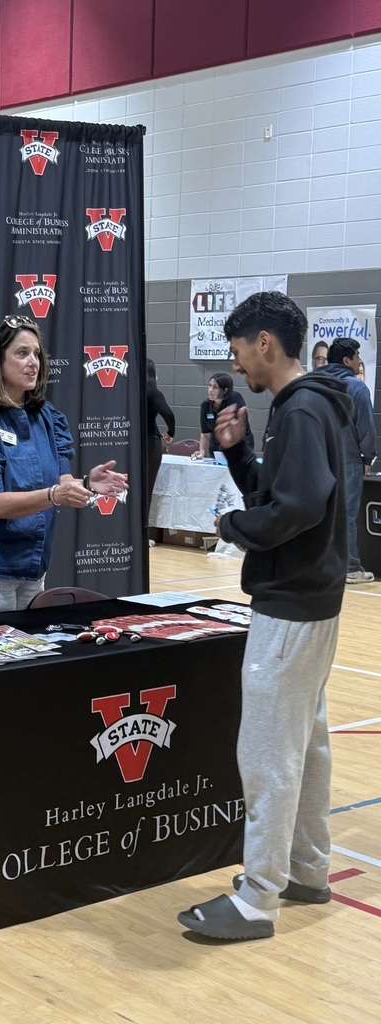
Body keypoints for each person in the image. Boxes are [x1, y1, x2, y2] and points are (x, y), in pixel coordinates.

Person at [177, 291, 352, 942]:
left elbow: (298, 507)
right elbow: (281, 493)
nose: (236, 364)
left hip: (292, 600)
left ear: (265, 344)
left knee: (268, 751)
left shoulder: (301, 408)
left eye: (238, 350)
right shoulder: (311, 404)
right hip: (314, 598)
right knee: (307, 741)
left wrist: (234, 527)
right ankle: (306, 868)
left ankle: (257, 899)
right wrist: (236, 453)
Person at [0, 315, 128, 616]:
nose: (33, 363)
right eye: (22, 353)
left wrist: (86, 484)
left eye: (37, 354)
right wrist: (54, 495)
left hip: (31, 567)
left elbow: (62, 484)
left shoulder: (47, 417)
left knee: (28, 646)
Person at [318, 337, 376, 584]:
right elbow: (365, 429)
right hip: (347, 459)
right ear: (346, 360)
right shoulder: (356, 387)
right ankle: (350, 568)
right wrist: (368, 456)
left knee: (320, 515)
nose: (359, 361)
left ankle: (321, 566)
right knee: (347, 515)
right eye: (357, 356)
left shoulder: (314, 383)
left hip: (317, 458)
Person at [192, 372, 253, 459]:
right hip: (216, 448)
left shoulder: (235, 399)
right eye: (210, 386)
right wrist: (202, 452)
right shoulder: (205, 405)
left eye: (215, 387)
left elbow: (239, 427)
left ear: (225, 390)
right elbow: (205, 433)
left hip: (239, 446)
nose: (210, 390)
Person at [145, 358, 175, 509]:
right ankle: (143, 520)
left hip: (128, 441)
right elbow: (168, 414)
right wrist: (171, 432)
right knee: (147, 486)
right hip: (149, 441)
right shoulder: (152, 392)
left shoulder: (127, 391)